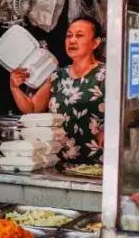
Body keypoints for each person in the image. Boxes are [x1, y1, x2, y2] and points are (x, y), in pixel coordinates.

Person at [9, 16, 106, 163]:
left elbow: (128, 112)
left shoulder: (105, 75)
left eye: (79, 35)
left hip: (96, 164)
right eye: (69, 36)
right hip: (59, 162)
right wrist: (15, 87)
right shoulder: (57, 75)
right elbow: (32, 108)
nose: (72, 40)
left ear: (95, 43)